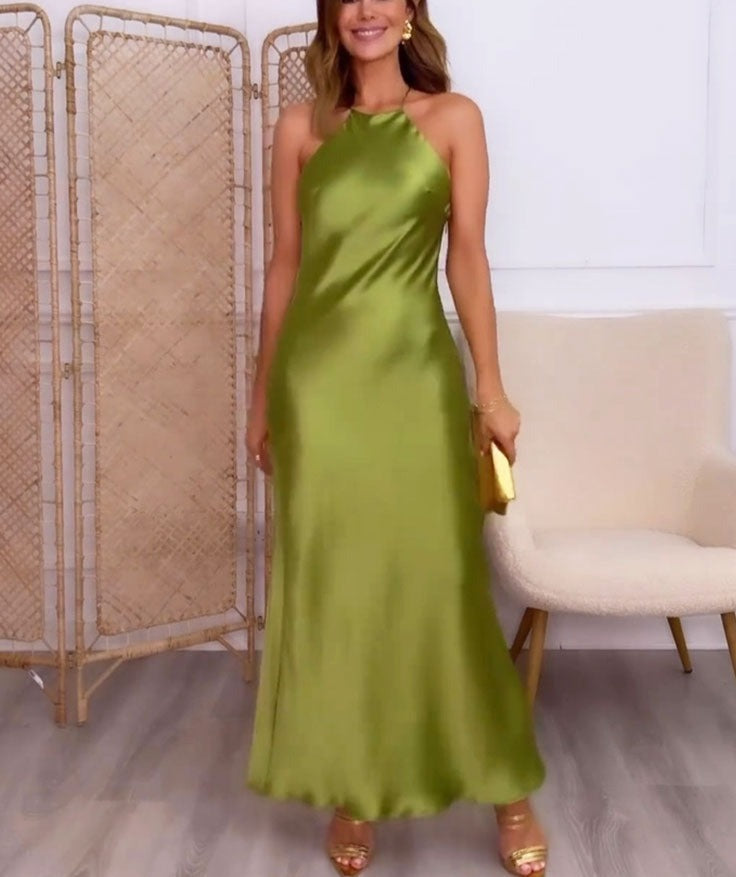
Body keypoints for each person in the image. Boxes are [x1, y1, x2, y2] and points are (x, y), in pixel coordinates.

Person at [245, 1, 548, 874]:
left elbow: (468, 260)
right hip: (319, 393)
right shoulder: (300, 128)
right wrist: (262, 396)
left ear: (411, 12)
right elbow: (285, 267)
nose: (365, 10)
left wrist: (490, 386)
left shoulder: (454, 119)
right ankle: (356, 789)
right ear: (331, 16)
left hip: (414, 384)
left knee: (440, 585)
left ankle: (508, 788)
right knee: (340, 590)